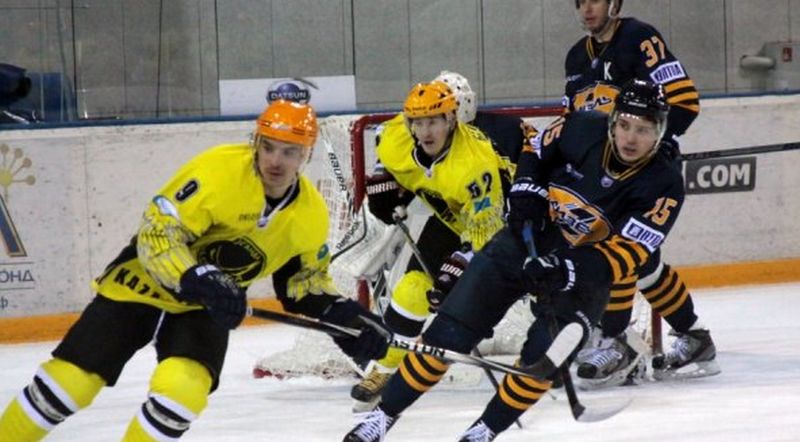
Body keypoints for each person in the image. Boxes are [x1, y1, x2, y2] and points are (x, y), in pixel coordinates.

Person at [0, 99, 391, 441]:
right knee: (68, 386)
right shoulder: (218, 170)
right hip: (142, 284)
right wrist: (196, 276)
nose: (276, 161)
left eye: (290, 152)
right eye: (269, 147)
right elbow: (158, 230)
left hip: (208, 306)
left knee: (181, 395)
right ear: (256, 141)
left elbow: (302, 284)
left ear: (306, 154)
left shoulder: (310, 214)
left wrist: (343, 316)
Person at [344, 79, 687, 441]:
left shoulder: (664, 185)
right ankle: (380, 419)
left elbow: (630, 252)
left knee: (540, 361)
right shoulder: (582, 128)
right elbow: (535, 149)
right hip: (524, 240)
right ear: (613, 121)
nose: (631, 138)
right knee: (446, 335)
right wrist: (526, 190)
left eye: (643, 130)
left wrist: (567, 270)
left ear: (660, 132)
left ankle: (481, 432)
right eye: (625, 125)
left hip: (582, 273)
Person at [564, 0, 718, 386]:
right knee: (643, 262)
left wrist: (652, 151)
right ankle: (695, 337)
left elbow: (684, 101)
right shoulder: (576, 57)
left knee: (616, 248)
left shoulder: (639, 38)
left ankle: (616, 342)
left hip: (641, 174)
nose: (587, 8)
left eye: (596, 0)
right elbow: (573, 122)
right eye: (581, 1)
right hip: (600, 174)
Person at [350, 80, 514, 411]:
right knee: (413, 289)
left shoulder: (474, 165)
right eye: (418, 122)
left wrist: (461, 263)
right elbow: (386, 138)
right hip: (451, 220)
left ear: (451, 120)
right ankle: (385, 369)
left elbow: (487, 232)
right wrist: (384, 177)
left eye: (433, 122)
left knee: (474, 291)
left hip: (506, 226)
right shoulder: (399, 137)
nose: (424, 131)